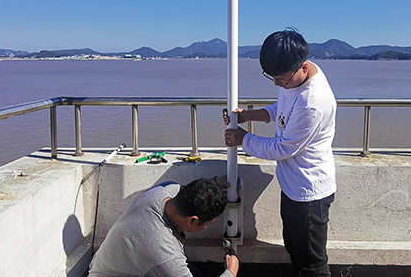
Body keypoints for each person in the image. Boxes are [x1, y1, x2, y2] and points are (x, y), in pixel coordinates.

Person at [223, 29, 336, 277]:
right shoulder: (295, 75)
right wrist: (250, 115)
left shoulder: (313, 103)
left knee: (312, 266)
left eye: (280, 80)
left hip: (309, 193)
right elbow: (281, 109)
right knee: (294, 251)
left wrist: (244, 139)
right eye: (271, 78)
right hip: (293, 187)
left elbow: (283, 148)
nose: (277, 84)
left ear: (303, 67)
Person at [88, 177, 239, 277]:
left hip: (106, 267)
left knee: (195, 273)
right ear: (192, 221)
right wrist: (231, 272)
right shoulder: (165, 254)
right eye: (207, 224)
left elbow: (190, 190)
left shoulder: (165, 190)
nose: (206, 227)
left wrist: (215, 183)